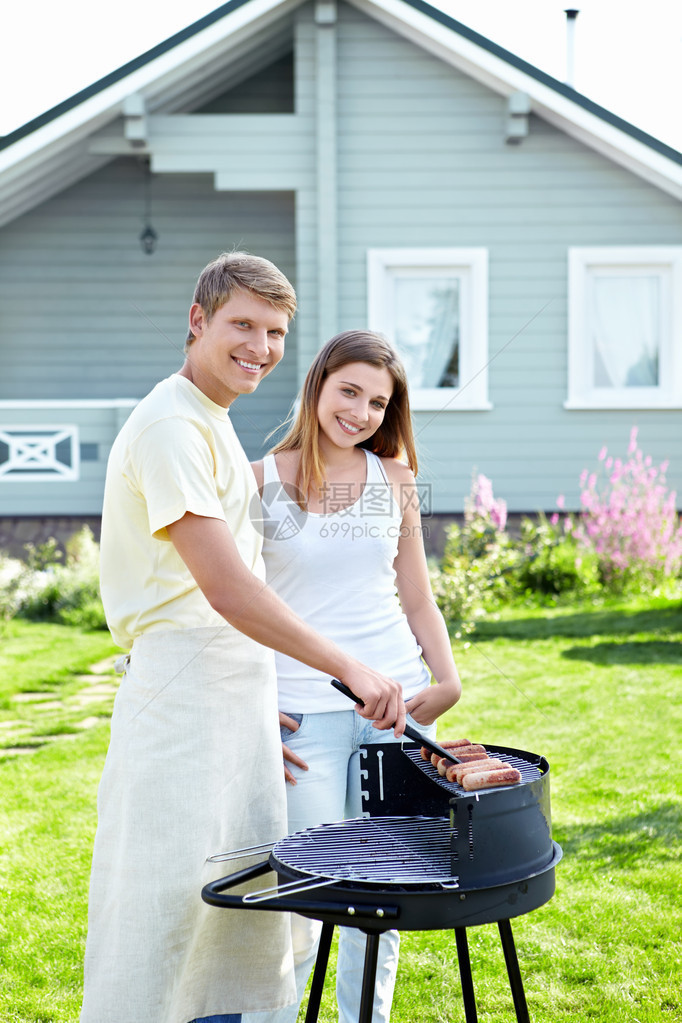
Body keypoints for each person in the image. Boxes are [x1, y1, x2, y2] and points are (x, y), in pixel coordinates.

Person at [82, 255, 406, 1023]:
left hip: (231, 700)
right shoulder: (169, 426)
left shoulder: (212, 420)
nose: (260, 347)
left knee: (234, 923)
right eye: (242, 326)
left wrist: (263, 702)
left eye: (275, 332)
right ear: (197, 320)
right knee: (163, 920)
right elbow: (227, 588)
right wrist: (347, 668)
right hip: (180, 705)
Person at [249, 330, 462, 1023]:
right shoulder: (256, 482)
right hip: (301, 711)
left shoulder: (396, 481)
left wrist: (448, 675)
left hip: (397, 707)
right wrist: (246, 706)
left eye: (379, 401)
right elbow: (234, 607)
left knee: (381, 897)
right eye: (350, 391)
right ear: (318, 384)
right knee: (302, 899)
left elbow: (416, 594)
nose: (362, 411)